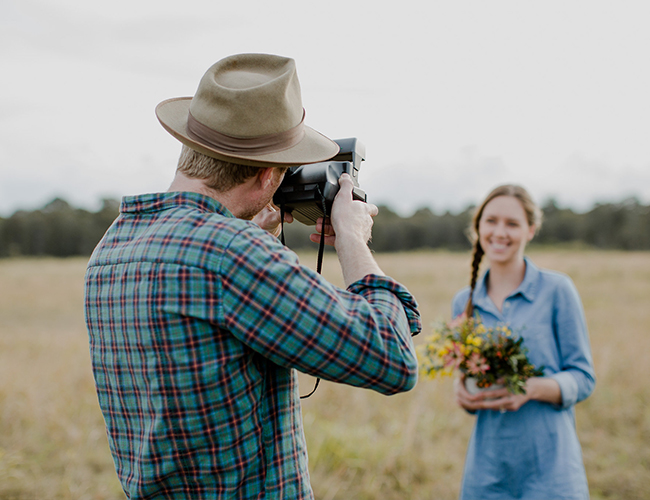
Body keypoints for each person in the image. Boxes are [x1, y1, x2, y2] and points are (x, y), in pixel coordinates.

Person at [84, 53, 421, 499]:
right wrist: (352, 238)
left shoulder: (114, 246)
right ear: (267, 175)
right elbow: (391, 358)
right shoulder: (231, 254)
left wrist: (248, 232)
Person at [451, 184, 596, 499]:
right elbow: (473, 388)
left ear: (531, 230)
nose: (500, 232)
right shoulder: (464, 302)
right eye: (491, 221)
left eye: (512, 223)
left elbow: (583, 378)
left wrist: (530, 389)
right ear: (478, 226)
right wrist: (464, 394)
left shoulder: (558, 290)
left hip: (552, 473)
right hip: (487, 475)